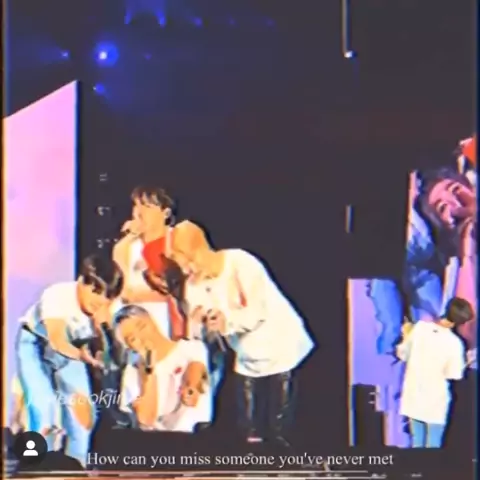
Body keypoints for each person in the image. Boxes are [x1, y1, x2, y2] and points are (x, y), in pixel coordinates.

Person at [168, 221, 315, 446]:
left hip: (281, 347)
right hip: (246, 356)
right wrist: (200, 323)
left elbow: (257, 311)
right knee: (247, 427)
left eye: (190, 261)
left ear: (201, 249)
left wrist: (227, 321)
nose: (189, 270)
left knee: (279, 430)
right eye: (183, 265)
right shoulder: (193, 287)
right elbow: (200, 331)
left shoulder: (241, 263)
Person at [15, 255, 124, 466]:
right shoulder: (58, 294)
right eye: (96, 292)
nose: (101, 300)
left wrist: (102, 327)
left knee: (83, 414)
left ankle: (76, 467)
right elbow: (57, 341)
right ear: (82, 281)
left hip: (74, 348)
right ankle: (34, 466)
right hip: (36, 344)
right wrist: (83, 356)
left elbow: (108, 352)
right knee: (43, 408)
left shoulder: (108, 307)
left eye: (108, 296)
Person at [115, 305, 212, 432]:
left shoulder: (192, 348)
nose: (142, 338)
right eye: (132, 339)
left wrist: (191, 386)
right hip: (164, 441)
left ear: (152, 320)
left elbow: (196, 370)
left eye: (142, 327)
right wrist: (149, 371)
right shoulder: (132, 373)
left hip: (202, 436)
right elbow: (146, 419)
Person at [397, 297, 472, 448]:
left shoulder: (420, 328)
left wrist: (405, 336)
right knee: (433, 444)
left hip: (413, 395)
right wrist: (466, 362)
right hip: (435, 401)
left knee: (416, 442)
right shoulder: (455, 344)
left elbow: (402, 354)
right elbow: (454, 374)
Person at [113, 186, 185, 339]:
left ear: (165, 213)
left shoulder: (178, 240)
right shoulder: (127, 247)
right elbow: (122, 292)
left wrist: (143, 296)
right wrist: (128, 237)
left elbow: (181, 290)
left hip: (172, 325)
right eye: (136, 205)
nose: (139, 212)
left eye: (147, 207)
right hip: (135, 325)